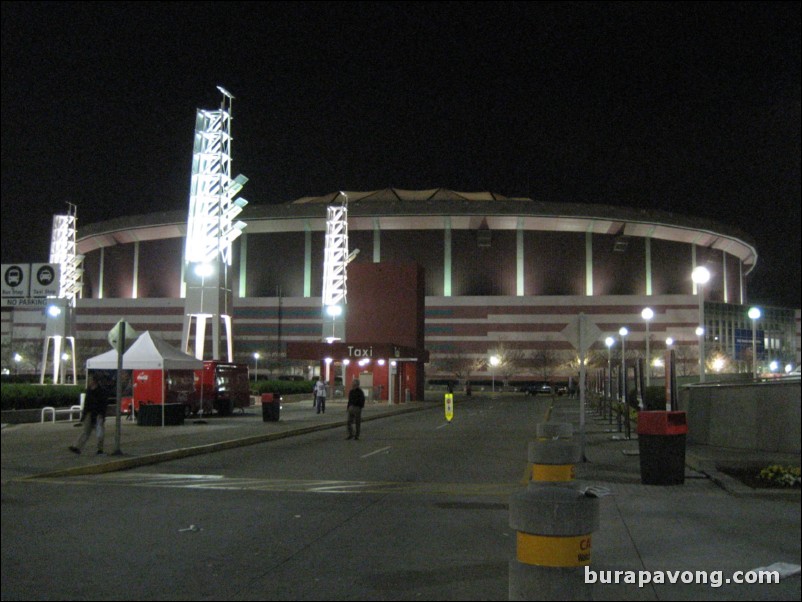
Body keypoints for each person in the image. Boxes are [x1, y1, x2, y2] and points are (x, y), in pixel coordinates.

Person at [69, 375, 110, 455]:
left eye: (90, 380)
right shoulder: (89, 391)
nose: (89, 382)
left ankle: (100, 449)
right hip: (90, 413)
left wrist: (102, 414)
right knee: (86, 431)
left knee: (99, 433)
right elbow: (86, 404)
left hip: (98, 414)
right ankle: (77, 447)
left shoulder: (100, 391)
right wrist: (83, 417)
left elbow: (103, 404)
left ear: (94, 381)